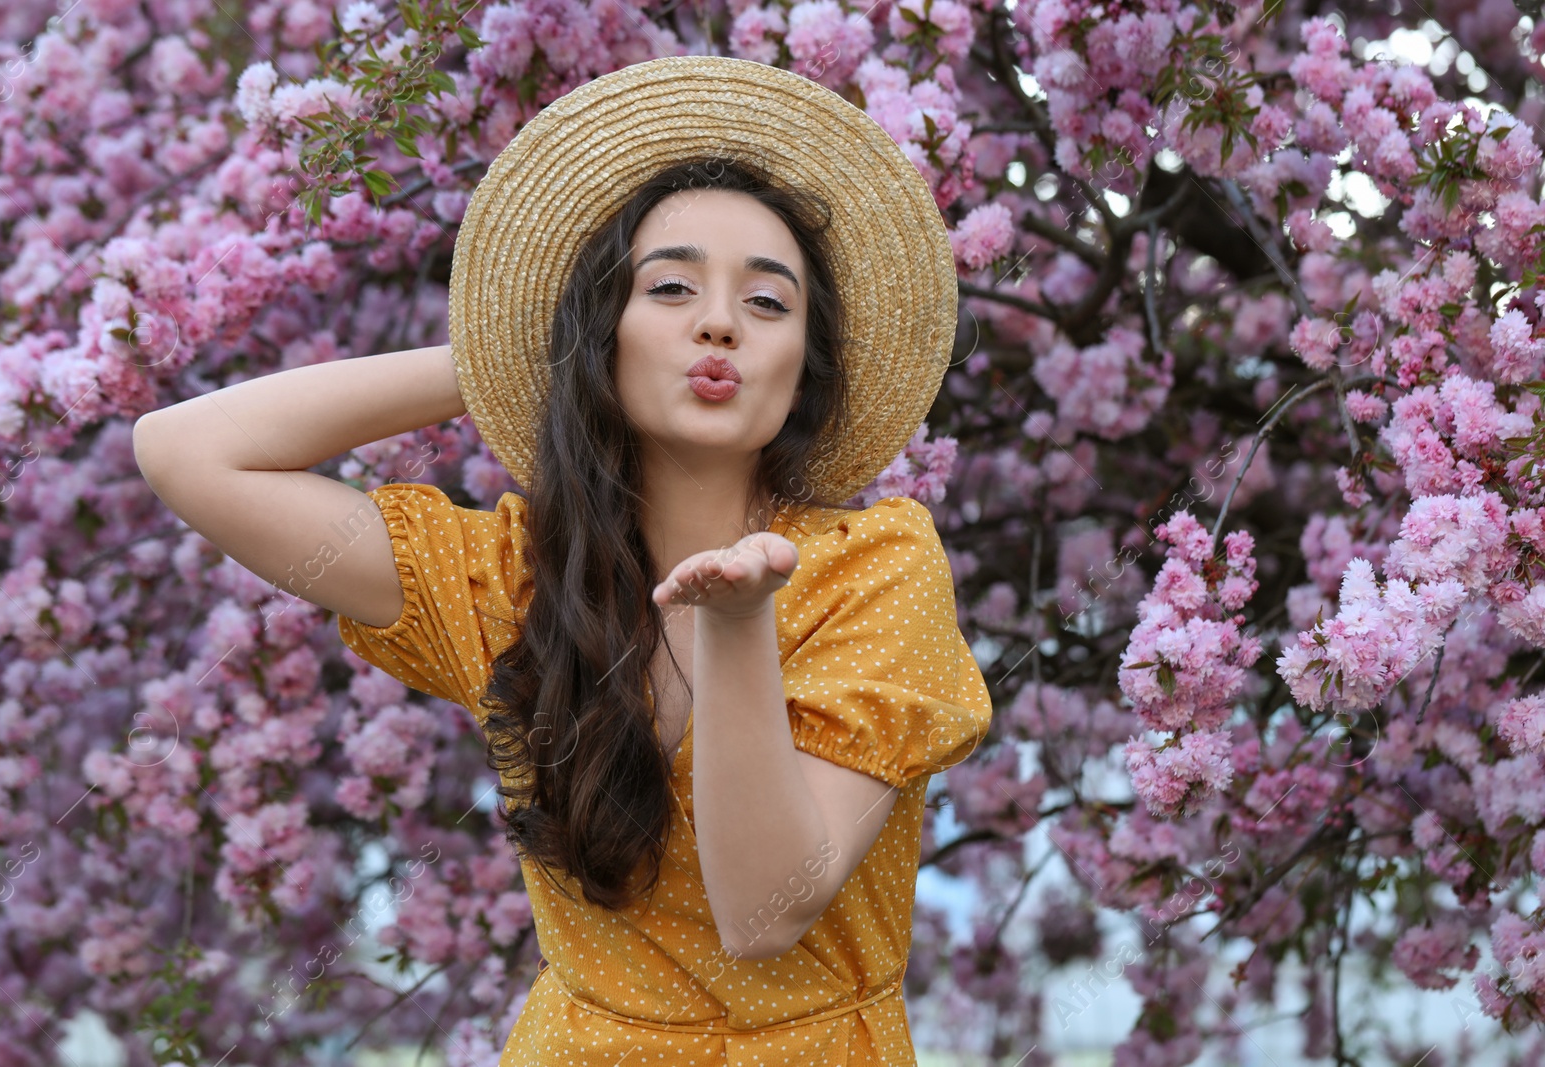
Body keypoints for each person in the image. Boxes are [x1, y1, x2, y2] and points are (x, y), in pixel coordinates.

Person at [134, 55, 992, 1065]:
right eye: (669, 287)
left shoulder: (872, 567)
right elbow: (186, 450)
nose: (717, 321)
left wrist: (734, 624)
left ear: (802, 370)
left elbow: (764, 909)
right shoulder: (509, 576)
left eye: (768, 304)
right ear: (604, 333)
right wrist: (515, 348)